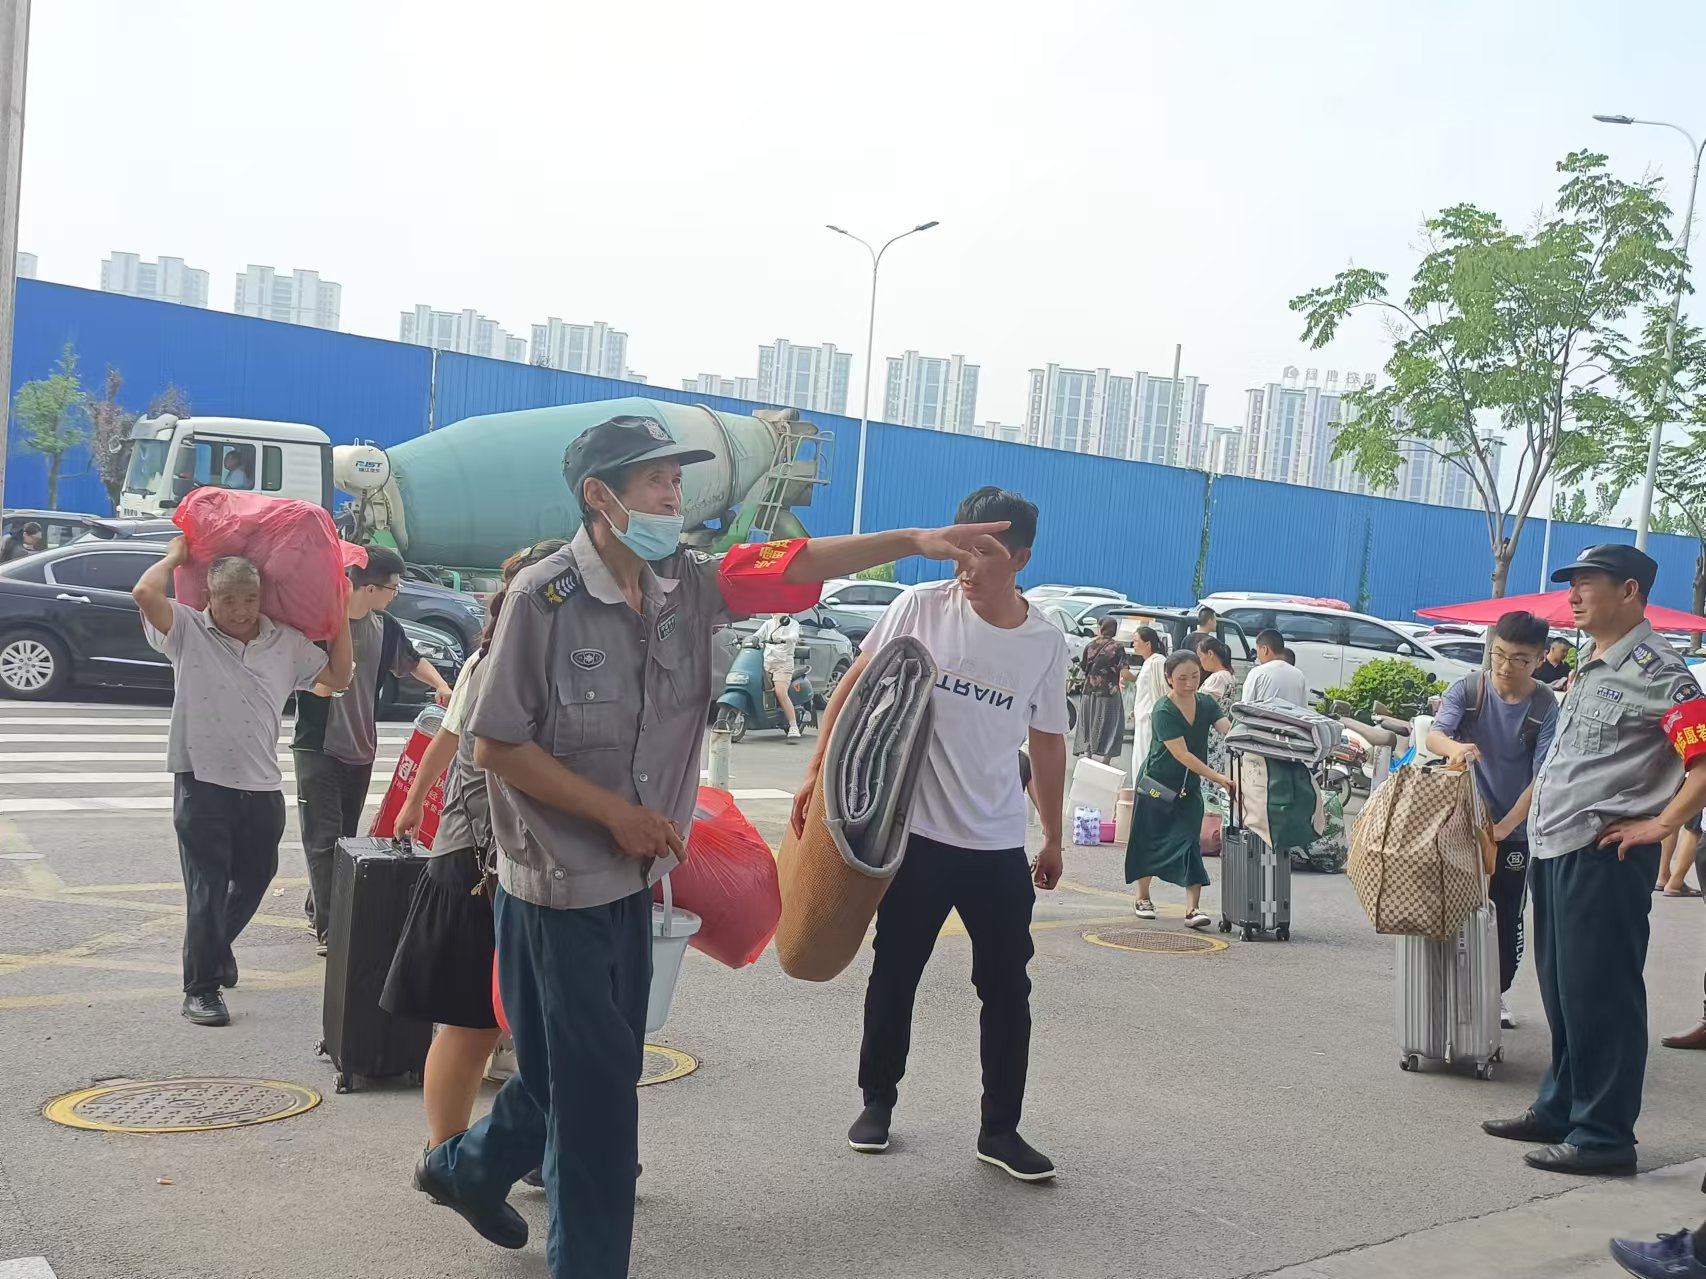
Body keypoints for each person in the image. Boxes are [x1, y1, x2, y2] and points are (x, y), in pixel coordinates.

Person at [412, 414, 1011, 1277]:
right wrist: (612, 813)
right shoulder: (545, 599)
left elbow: (793, 566)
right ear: (601, 497)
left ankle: (462, 1168)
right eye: (656, 480)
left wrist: (913, 538)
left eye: (675, 480)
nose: (674, 495)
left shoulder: (685, 585)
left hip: (631, 883)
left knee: (562, 1080)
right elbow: (496, 744)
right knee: (600, 1102)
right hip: (554, 888)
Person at [794, 485, 1068, 1184]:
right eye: (962, 546)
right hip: (916, 840)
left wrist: (1054, 836)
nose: (968, 564)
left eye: (986, 552)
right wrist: (816, 768)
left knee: (1007, 988)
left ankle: (1000, 1128)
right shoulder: (918, 608)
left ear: (1023, 558)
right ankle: (877, 1101)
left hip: (998, 844)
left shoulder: (1045, 641)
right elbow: (854, 684)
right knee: (896, 973)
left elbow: (1047, 743)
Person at [1483, 545, 1706, 1179]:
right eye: (1572, 583)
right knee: (1563, 989)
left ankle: (1605, 1135)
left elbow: (1704, 757)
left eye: (1588, 583)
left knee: (1601, 993)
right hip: (1558, 846)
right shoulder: (1594, 665)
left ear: (1630, 591)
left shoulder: (1660, 671)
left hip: (1603, 855)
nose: (1574, 595)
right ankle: (1561, 1108)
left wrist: (1662, 823)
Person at [381, 540, 564, 1151]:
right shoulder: (499, 664)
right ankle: (447, 1154)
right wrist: (415, 803)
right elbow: (473, 745)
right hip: (482, 862)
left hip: (538, 865)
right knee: (471, 1022)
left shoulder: (544, 657)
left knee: (544, 1025)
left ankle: (548, 1147)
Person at [132, 539, 353, 1026]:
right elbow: (145, 593)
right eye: (227, 598)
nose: (238, 608)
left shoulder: (287, 641)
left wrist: (338, 614)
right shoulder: (188, 629)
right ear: (209, 597)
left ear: (262, 597)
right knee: (207, 887)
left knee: (256, 878)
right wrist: (175, 555)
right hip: (201, 779)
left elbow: (337, 677)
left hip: (261, 785)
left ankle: (214, 947)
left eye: (248, 597)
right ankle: (201, 989)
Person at [295, 545, 452, 952]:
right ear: (366, 587)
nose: (395, 594)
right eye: (392, 587)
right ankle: (331, 928)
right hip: (318, 748)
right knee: (323, 840)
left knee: (343, 838)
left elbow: (411, 661)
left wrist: (440, 685)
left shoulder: (386, 627)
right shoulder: (322, 626)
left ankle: (319, 904)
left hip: (360, 748)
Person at [1425, 610, 1558, 1031]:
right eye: (1498, 654)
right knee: (1449, 907)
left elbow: (1543, 776)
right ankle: (1443, 989)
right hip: (1460, 825)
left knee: (1503, 914)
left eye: (1518, 659)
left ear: (1539, 660)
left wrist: (1503, 829)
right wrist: (1455, 748)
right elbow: (1434, 734)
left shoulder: (1544, 705)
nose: (1504, 666)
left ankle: (1494, 992)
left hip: (1512, 832)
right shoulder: (1468, 689)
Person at [1126, 648, 1235, 929]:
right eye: (1182, 678)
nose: (1189, 683)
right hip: (1157, 786)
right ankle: (1142, 897)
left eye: (1195, 676)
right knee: (1148, 839)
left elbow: (1229, 731)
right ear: (1168, 678)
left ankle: (1192, 909)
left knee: (1189, 842)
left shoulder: (1207, 704)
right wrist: (1220, 778)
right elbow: (1183, 755)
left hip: (1190, 789)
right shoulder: (1163, 709)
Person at [1075, 616, 1127, 765]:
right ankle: (1106, 759)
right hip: (1109, 692)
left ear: (1100, 627)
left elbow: (1084, 668)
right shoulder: (1118, 648)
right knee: (1110, 724)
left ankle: (1088, 755)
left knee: (1090, 722)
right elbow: (1123, 671)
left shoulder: (1090, 646)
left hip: (1089, 691)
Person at [1198, 636, 1237, 830]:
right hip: (1221, 733)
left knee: (1208, 777)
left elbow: (1204, 705)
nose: (1201, 661)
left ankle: (1207, 822)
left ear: (1211, 654)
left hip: (1211, 733)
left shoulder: (1217, 678)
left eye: (1201, 656)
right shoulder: (1230, 676)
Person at [751, 610, 804, 740]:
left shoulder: (792, 623)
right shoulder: (768, 624)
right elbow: (757, 636)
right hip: (766, 663)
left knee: (780, 692)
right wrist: (749, 641)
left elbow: (794, 637)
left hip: (783, 664)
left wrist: (783, 639)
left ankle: (793, 726)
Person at [1126, 626, 1167, 783]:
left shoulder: (1158, 662)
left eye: (1136, 641)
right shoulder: (1148, 662)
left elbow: (1162, 690)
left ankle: (1148, 790)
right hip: (1142, 716)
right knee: (1139, 757)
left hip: (1150, 717)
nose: (1133, 644)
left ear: (1148, 643)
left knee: (1145, 756)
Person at [1243, 629, 1309, 705]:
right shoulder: (1298, 675)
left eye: (1258, 651)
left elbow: (1245, 705)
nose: (1257, 656)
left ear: (1265, 650)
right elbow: (1302, 709)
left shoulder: (1257, 673)